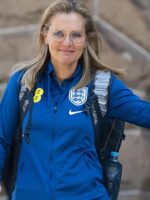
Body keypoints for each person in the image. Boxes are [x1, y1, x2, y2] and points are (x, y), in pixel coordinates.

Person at [0, 0, 150, 199]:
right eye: (59, 33)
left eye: (76, 35)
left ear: (87, 39)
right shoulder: (23, 82)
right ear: (45, 35)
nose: (67, 43)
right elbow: (1, 138)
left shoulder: (103, 86)